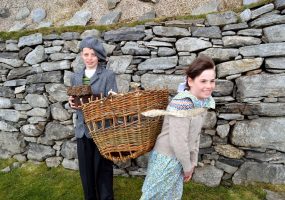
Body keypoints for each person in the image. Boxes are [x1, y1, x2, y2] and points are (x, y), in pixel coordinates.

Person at [140, 54, 216, 200]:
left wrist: (192, 163)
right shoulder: (182, 103)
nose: (209, 86)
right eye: (203, 81)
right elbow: (178, 141)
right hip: (167, 158)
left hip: (180, 159)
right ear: (190, 81)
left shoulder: (201, 103)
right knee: (154, 196)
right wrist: (187, 167)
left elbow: (195, 137)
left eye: (212, 81)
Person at [68, 36, 117, 200]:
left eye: (93, 55)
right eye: (86, 54)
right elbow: (76, 101)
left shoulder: (108, 75)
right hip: (82, 131)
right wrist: (71, 103)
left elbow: (113, 102)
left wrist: (109, 99)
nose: (89, 58)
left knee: (103, 170)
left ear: (99, 56)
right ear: (81, 55)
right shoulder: (75, 77)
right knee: (86, 172)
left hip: (101, 131)